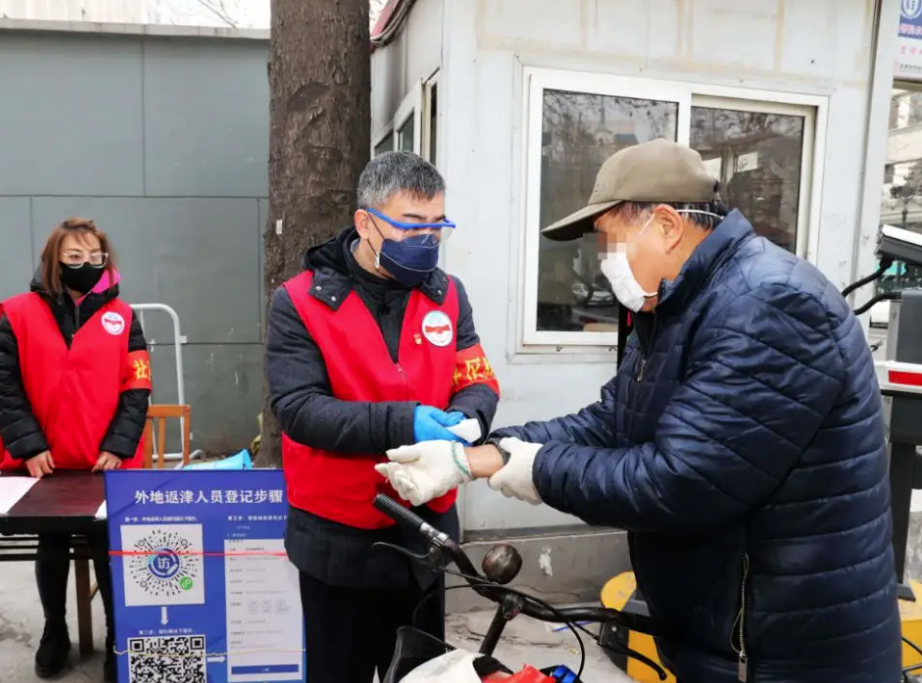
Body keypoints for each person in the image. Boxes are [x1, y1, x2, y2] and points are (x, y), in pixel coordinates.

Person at [376, 139, 901, 683]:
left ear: (668, 226)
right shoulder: (677, 305)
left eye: (610, 241)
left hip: (787, 654)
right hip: (727, 633)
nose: (604, 263)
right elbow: (609, 424)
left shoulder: (767, 304)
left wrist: (522, 468)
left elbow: (682, 482)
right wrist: (477, 455)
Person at [265, 151, 500, 683]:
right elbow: (299, 410)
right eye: (412, 225)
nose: (428, 239)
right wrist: (407, 422)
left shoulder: (447, 294)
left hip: (425, 537)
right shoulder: (300, 301)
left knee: (421, 674)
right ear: (366, 223)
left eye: (438, 225)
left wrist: (467, 422)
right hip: (340, 541)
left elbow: (478, 378)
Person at [0, 217, 152, 682]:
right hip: (47, 463)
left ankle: (119, 635)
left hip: (105, 462)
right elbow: (2, 384)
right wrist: (28, 445)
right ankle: (55, 631)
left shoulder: (125, 316)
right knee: (52, 542)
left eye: (94, 257)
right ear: (54, 261)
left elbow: (136, 388)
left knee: (108, 547)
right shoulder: (17, 314)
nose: (85, 265)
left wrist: (119, 446)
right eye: (73, 257)